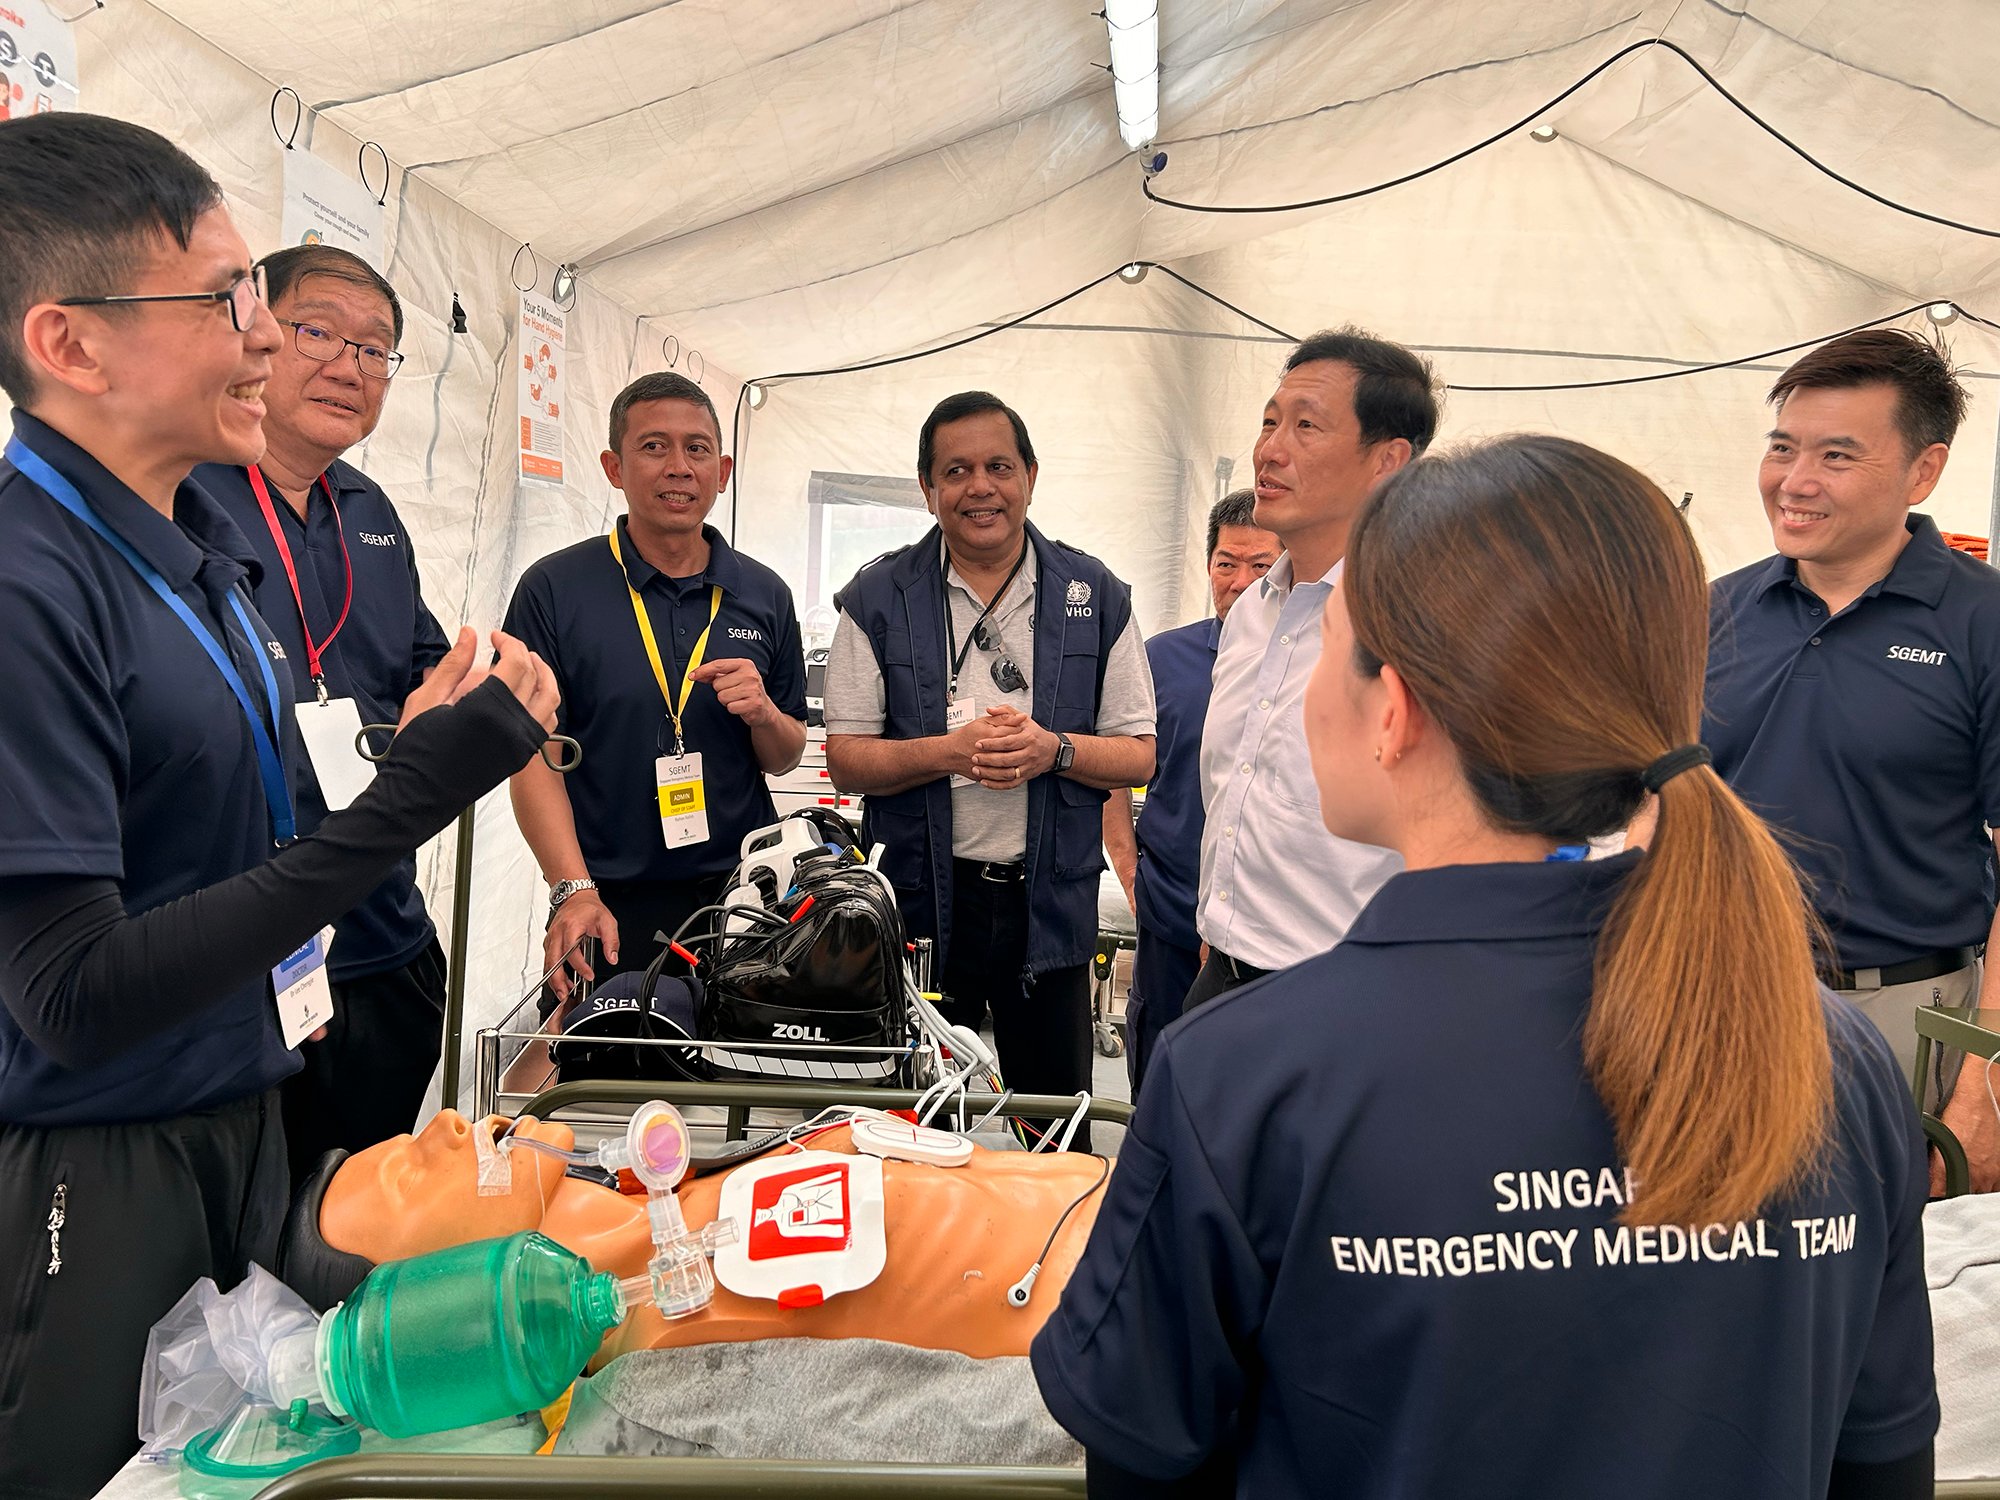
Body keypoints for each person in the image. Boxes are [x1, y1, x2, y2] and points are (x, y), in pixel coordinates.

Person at [1032, 435, 1935, 1499]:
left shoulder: (1242, 1077)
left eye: (1323, 646)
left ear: (1395, 709)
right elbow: (1880, 1464)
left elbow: (1146, 1461)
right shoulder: (1835, 1057)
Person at [0, 113, 561, 1498]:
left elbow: (253, 830)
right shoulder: (29, 584)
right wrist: (411, 798)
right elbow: (69, 993)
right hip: (104, 1161)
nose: (267, 339)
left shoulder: (195, 555)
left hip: (245, 1106)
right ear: (69, 345)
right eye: (224, 301)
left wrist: (415, 745)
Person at [1704, 329, 2000, 1187]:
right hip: (1720, 1004)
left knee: (1895, 1255)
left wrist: (1983, 1080)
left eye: (1836, 455)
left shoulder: (1981, 624)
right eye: (1782, 448)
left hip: (1902, 1017)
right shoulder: (1715, 611)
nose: (1795, 481)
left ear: (1923, 471)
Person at [823, 392, 1155, 1142]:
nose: (980, 487)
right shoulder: (877, 599)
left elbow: (1139, 751)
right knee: (911, 1132)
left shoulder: (1095, 595)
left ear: (1030, 476)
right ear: (927, 488)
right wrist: (949, 753)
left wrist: (1053, 749)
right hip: (920, 908)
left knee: (1055, 1134)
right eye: (957, 470)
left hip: (1050, 907)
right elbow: (846, 759)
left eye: (999, 467)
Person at [195, 245, 452, 1187]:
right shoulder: (184, 493)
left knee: (362, 1222)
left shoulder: (368, 510)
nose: (350, 365)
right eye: (320, 332)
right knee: (243, 1240)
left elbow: (416, 661)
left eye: (375, 349)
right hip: (234, 960)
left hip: (383, 938)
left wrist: (460, 692)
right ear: (256, 333)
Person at [288, 1108, 1110, 1361]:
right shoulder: (666, 1329)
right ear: (434, 1299)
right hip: (1129, 1294)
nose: (444, 1125)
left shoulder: (675, 1209)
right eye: (408, 1176)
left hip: (1119, 1192)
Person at [504, 372, 808, 1006]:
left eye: (697, 449)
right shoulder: (555, 589)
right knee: (603, 1063)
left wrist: (763, 714)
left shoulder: (765, 594)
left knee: (737, 1064)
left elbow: (784, 756)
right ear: (614, 467)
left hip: (743, 900)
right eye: (653, 446)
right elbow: (532, 755)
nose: (679, 467)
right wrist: (571, 890)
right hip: (606, 900)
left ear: (722, 472)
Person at [1183, 328, 1435, 1014]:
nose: (1269, 450)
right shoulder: (1251, 613)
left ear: (1387, 461)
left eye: (1305, 426)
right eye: (1269, 422)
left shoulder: (1424, 622)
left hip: (1347, 996)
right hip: (1221, 968)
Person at [1101, 490, 1277, 1090]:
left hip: (1267, 932)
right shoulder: (1162, 660)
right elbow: (1112, 770)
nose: (1240, 581)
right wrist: (1131, 875)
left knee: (1241, 1090)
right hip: (1172, 916)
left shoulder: (1313, 664)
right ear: (1208, 566)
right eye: (1227, 563)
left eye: (1260, 565)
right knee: (1157, 1079)